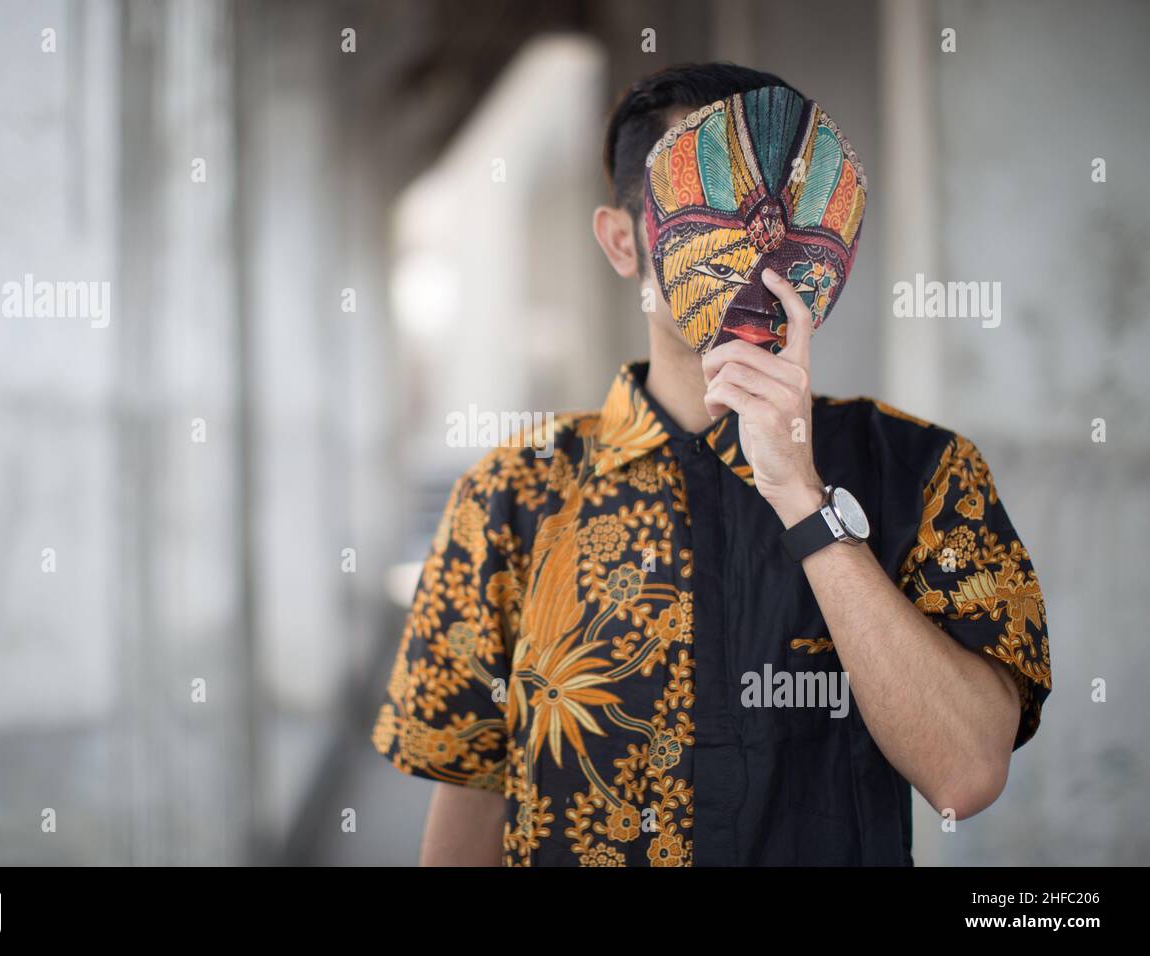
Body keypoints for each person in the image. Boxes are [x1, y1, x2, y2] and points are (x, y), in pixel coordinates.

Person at [370, 62, 1051, 866]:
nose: (760, 245)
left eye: (787, 209)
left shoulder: (924, 470)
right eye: (713, 203)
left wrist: (804, 499)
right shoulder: (513, 494)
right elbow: (473, 796)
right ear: (624, 242)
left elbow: (966, 773)